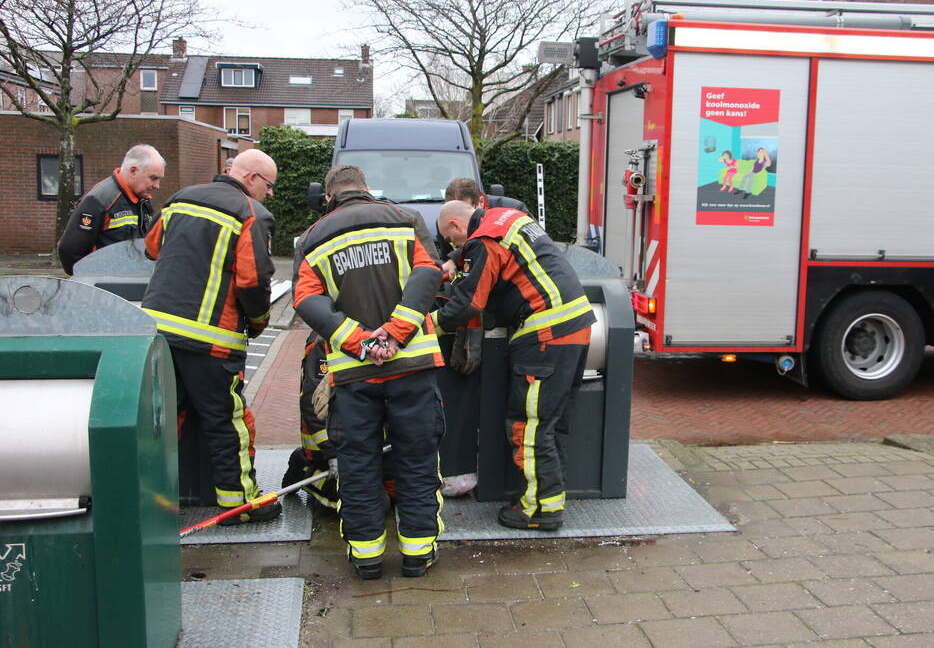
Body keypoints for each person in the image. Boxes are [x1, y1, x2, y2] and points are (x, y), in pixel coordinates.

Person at [293, 164, 445, 580]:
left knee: (358, 466)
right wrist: (395, 334)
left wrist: (360, 341)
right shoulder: (405, 219)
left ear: (329, 196)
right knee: (416, 461)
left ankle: (367, 558)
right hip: (412, 367)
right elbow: (429, 272)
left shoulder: (312, 238)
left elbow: (305, 300)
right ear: (366, 189)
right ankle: (417, 554)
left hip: (354, 377)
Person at [433, 200, 595, 531]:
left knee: (529, 425)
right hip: (576, 324)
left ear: (454, 226)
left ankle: (537, 510)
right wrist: (455, 261)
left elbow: (468, 303)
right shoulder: (510, 219)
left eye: (452, 242)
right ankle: (550, 500)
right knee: (552, 424)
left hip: (545, 333)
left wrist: (422, 325)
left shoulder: (485, 240)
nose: (456, 248)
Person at [141, 149, 280, 524]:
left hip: (156, 333)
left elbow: (152, 247)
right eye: (269, 186)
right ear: (251, 178)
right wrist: (259, 322)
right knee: (225, 420)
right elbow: (253, 281)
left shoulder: (178, 200)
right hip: (211, 341)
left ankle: (151, 500)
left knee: (163, 420)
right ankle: (238, 503)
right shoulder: (251, 214)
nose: (269, 194)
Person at [57, 144, 164, 275]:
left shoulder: (142, 199)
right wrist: (95, 283)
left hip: (130, 282)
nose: (157, 186)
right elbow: (69, 251)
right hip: (107, 287)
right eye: (153, 178)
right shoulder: (100, 200)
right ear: (133, 171)